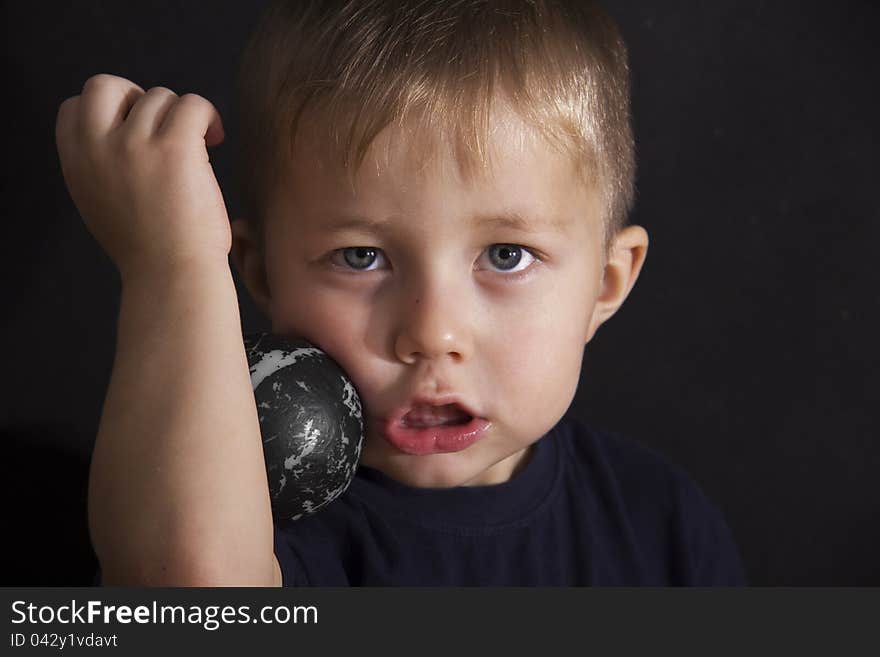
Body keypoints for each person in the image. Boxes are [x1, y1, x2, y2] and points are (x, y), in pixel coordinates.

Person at [57, 0, 748, 586]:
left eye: (505, 255)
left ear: (604, 283)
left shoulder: (660, 526)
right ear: (261, 275)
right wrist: (172, 266)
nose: (432, 331)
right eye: (362, 257)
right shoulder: (254, 519)